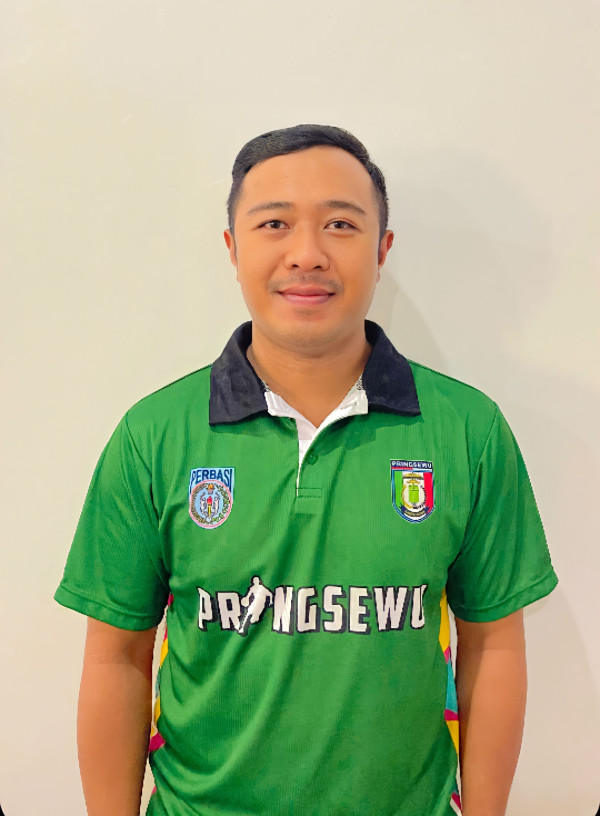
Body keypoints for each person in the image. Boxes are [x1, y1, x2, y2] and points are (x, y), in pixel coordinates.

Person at [55, 124, 558, 816]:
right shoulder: (154, 436)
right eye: (274, 224)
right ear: (233, 249)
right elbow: (117, 657)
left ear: (382, 250)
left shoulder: (469, 432)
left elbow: (493, 641)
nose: (307, 254)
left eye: (340, 225)